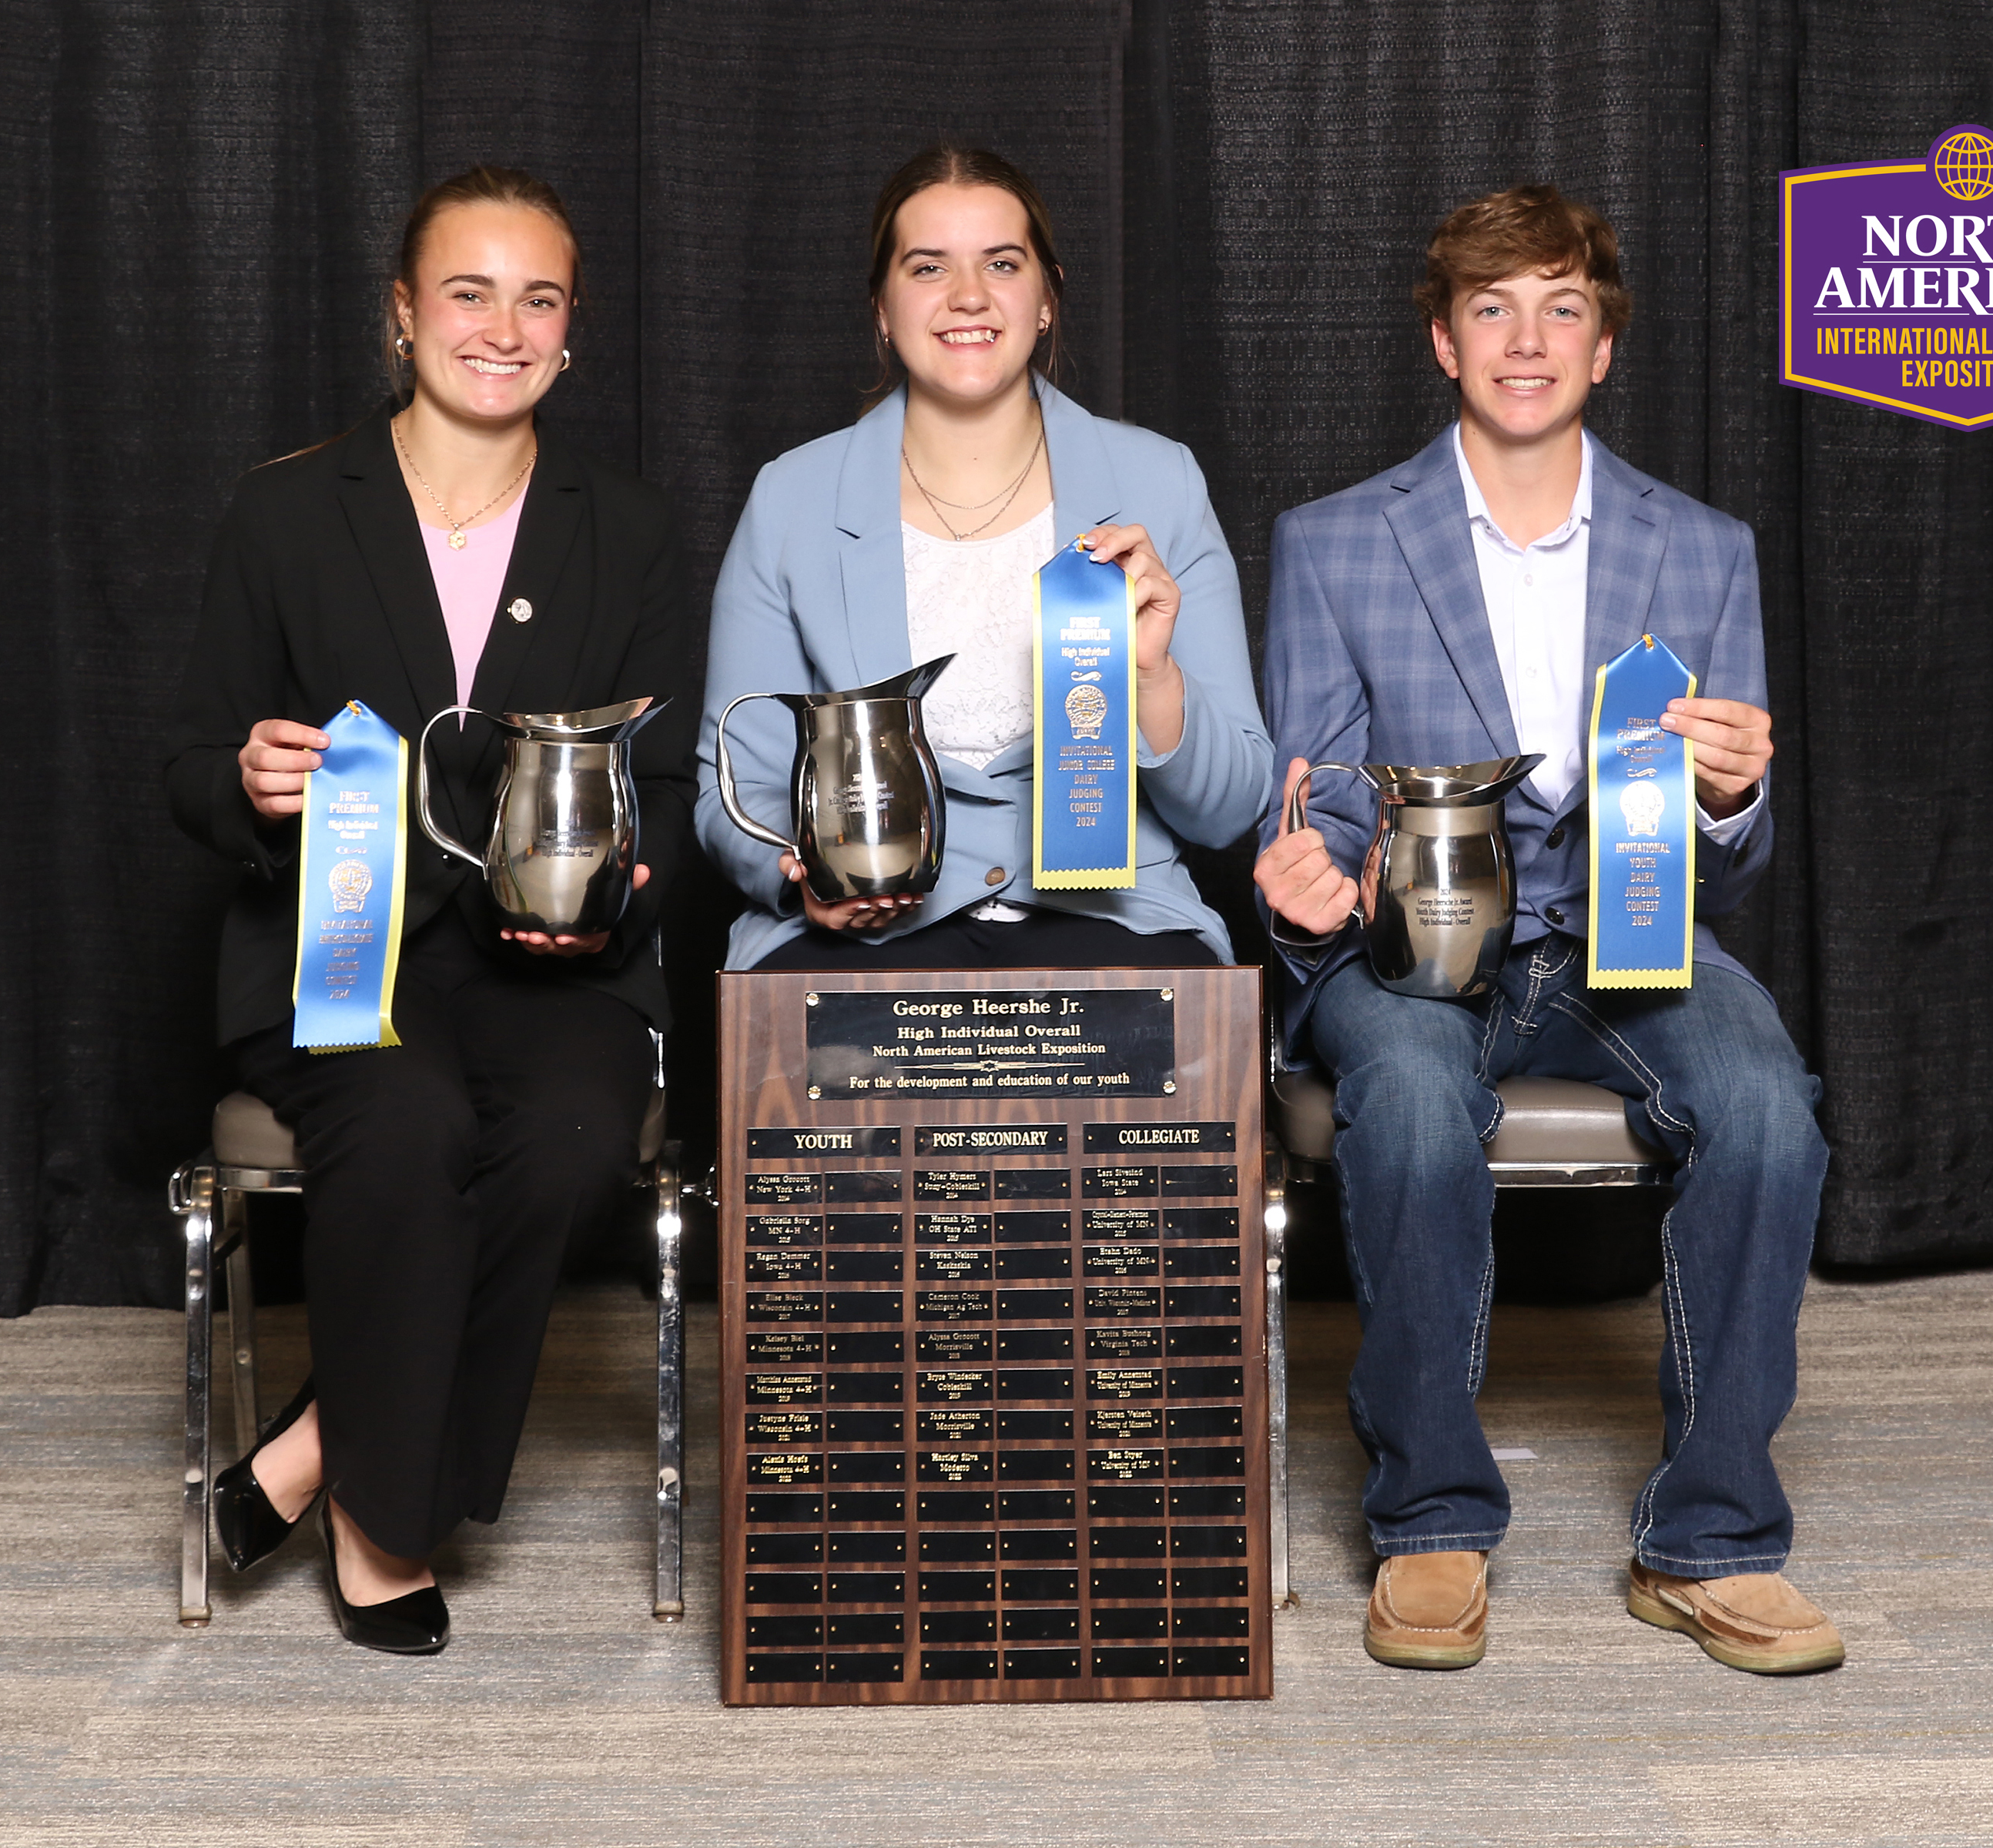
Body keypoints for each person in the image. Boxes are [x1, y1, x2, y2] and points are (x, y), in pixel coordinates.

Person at [1254, 184, 1841, 1676]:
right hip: (1415, 948)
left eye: (1562, 307)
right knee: (1408, 1098)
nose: (1529, 339)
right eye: (1494, 309)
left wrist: (1727, 799)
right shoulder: (1334, 543)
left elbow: (1737, 853)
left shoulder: (1702, 548)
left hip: (1620, 945)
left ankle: (1711, 1538)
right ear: (1445, 343)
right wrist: (1304, 882)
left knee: (1771, 1109)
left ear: (1604, 345)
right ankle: (1431, 1517)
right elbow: (1315, 804)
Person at [165, 166, 692, 1655]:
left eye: (539, 300)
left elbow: (655, 778)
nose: (503, 327)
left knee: (580, 1136)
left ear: (572, 333)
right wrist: (247, 779)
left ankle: (309, 1456)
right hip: (337, 959)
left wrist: (628, 885)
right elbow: (189, 762)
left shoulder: (631, 527)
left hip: (557, 970)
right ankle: (387, 1531)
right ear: (404, 317)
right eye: (469, 292)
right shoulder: (284, 514)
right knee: (406, 1126)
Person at [695, 144, 1269, 972]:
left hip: (1115, 921)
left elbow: (1230, 811)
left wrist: (1152, 680)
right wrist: (797, 875)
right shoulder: (791, 498)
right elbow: (732, 783)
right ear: (883, 311)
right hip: (872, 929)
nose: (969, 295)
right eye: (928, 267)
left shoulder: (1160, 483)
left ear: (1045, 299)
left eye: (1002, 262)